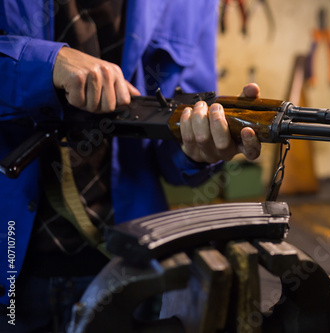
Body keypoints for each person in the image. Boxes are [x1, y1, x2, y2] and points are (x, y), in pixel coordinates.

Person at [0, 0, 261, 331]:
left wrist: (198, 149)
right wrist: (43, 63)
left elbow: (168, 152)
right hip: (10, 266)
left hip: (125, 265)